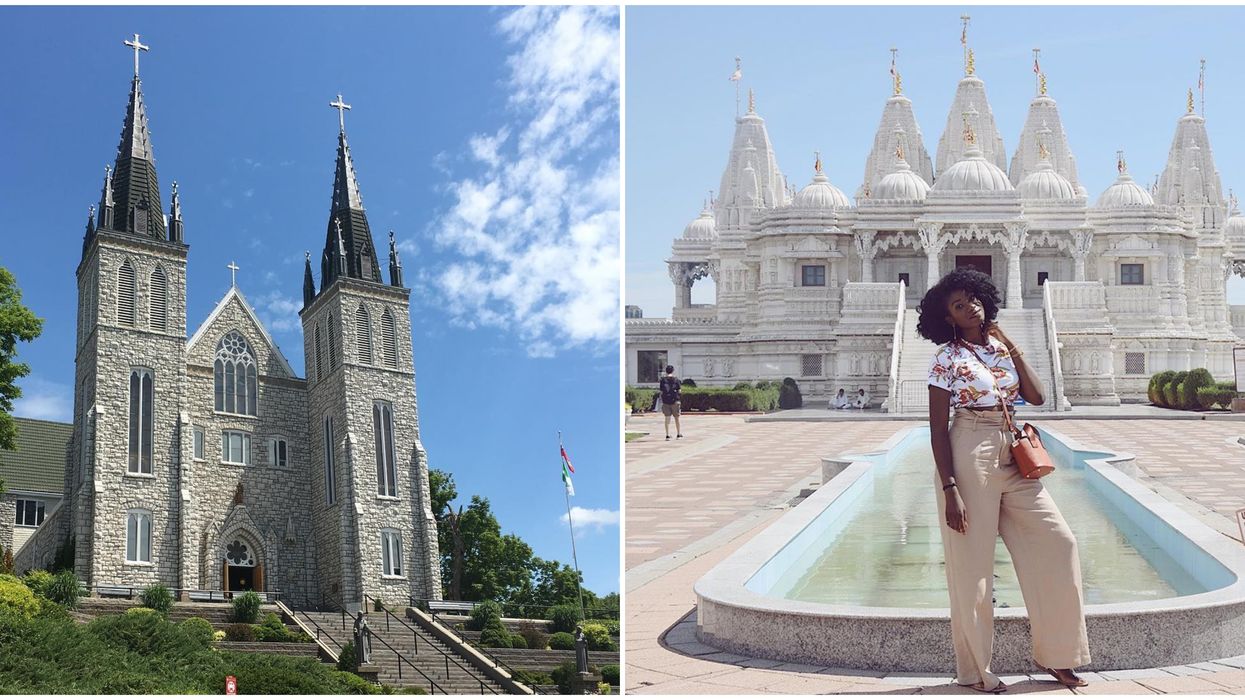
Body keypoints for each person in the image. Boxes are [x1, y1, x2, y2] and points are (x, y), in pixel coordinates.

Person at [919, 268, 1089, 693]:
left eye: (973, 298)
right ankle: (976, 671)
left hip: (1012, 449)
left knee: (1058, 541)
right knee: (972, 566)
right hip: (969, 446)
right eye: (958, 305)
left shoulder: (999, 348)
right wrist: (949, 488)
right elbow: (938, 428)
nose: (969, 306)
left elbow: (1037, 397)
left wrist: (1010, 344)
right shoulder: (946, 359)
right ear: (948, 319)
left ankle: (1059, 656)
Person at [658, 365, 683, 440]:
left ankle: (667, 435)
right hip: (675, 401)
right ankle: (678, 434)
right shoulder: (676, 380)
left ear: (666, 371)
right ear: (673, 371)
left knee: (667, 418)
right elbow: (679, 391)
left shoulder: (663, 380)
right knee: (677, 418)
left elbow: (661, 391)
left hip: (666, 401)